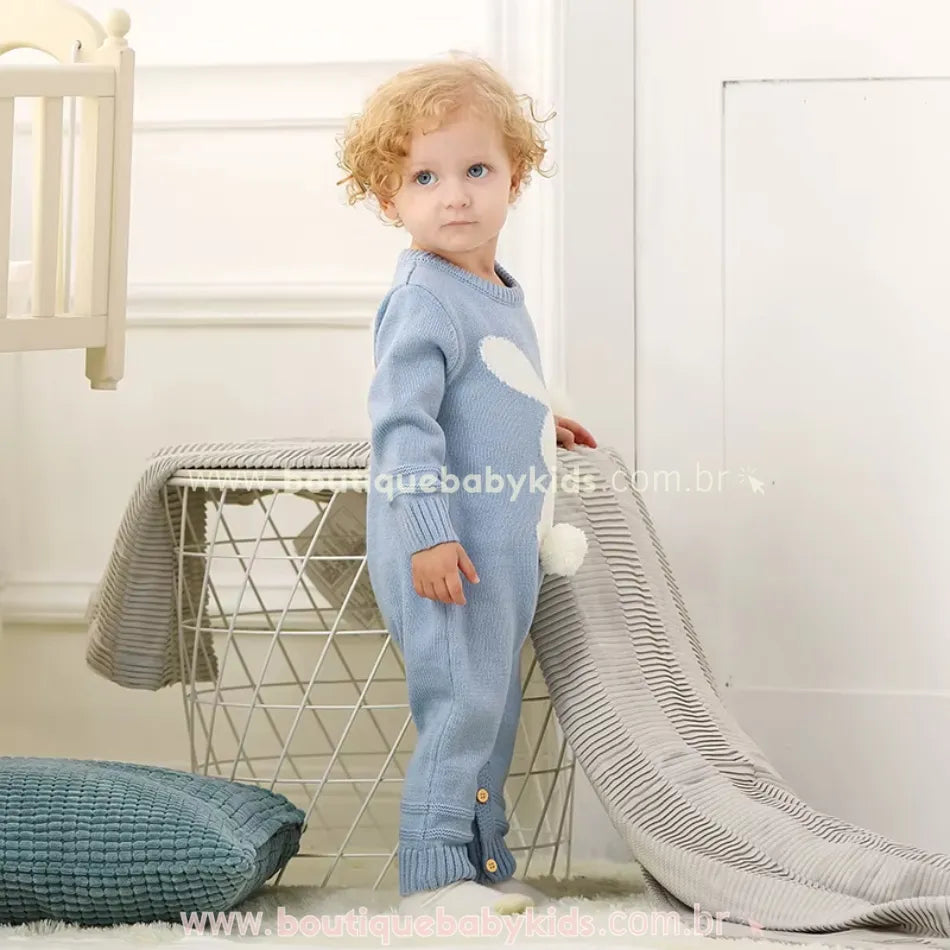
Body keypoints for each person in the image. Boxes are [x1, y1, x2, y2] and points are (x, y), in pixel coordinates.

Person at [336, 52, 597, 917]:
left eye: (477, 170)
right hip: (444, 548)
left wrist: (538, 425)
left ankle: (483, 869)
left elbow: (478, 394)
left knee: (490, 708)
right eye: (425, 176)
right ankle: (434, 878)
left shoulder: (497, 293)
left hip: (500, 549)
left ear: (514, 177)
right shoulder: (423, 298)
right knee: (458, 709)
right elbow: (404, 425)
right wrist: (427, 534)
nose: (456, 195)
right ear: (389, 199)